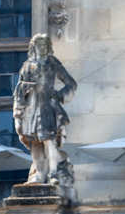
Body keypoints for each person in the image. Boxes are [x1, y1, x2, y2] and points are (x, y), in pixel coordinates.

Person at [13, 33, 77, 195]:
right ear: (34, 47)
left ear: (48, 47)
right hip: (30, 107)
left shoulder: (53, 63)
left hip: (48, 107)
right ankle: (39, 172)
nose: (42, 47)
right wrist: (19, 108)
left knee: (49, 140)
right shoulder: (27, 66)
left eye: (44, 45)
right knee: (34, 141)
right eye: (39, 45)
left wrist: (59, 94)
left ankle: (53, 173)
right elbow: (18, 91)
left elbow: (71, 83)